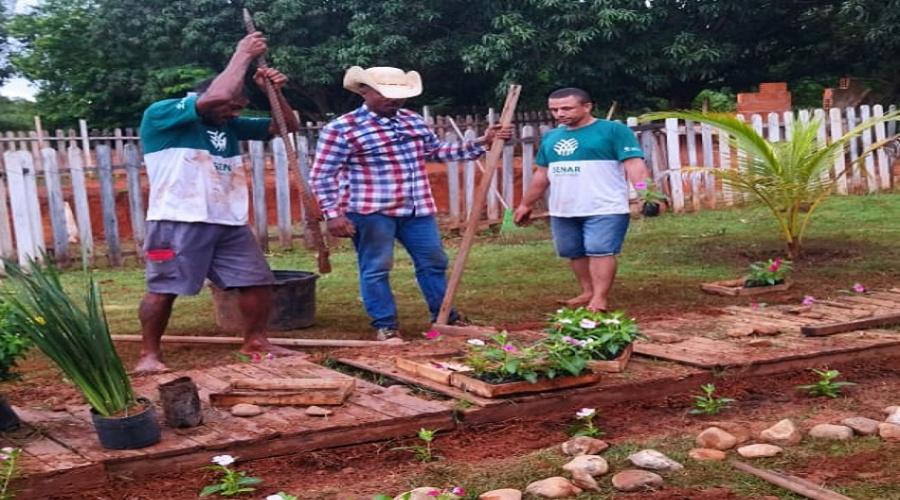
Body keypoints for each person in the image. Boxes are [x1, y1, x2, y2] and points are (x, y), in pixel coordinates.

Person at [134, 32, 301, 372]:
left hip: (227, 219)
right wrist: (243, 51)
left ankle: (255, 340)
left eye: (239, 108)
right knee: (164, 287)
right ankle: (148, 355)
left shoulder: (232, 125)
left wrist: (274, 91)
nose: (232, 112)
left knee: (258, 281)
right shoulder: (163, 113)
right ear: (205, 97)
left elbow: (287, 125)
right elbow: (219, 95)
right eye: (230, 106)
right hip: (177, 217)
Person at [310, 66, 511, 340]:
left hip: (416, 208)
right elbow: (322, 175)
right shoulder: (342, 129)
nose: (393, 100)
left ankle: (446, 317)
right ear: (364, 91)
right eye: (385, 94)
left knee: (434, 260)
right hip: (371, 211)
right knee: (376, 266)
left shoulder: (412, 120)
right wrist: (333, 214)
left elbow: (435, 151)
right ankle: (385, 324)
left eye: (400, 95)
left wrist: (482, 142)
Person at [513, 87, 651, 313]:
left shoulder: (613, 130)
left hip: (605, 206)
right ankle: (587, 290)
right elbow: (542, 173)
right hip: (563, 208)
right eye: (554, 109)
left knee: (600, 249)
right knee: (573, 250)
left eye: (566, 108)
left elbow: (634, 164)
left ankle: (599, 298)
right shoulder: (552, 137)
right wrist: (525, 204)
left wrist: (647, 193)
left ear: (587, 107)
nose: (559, 114)